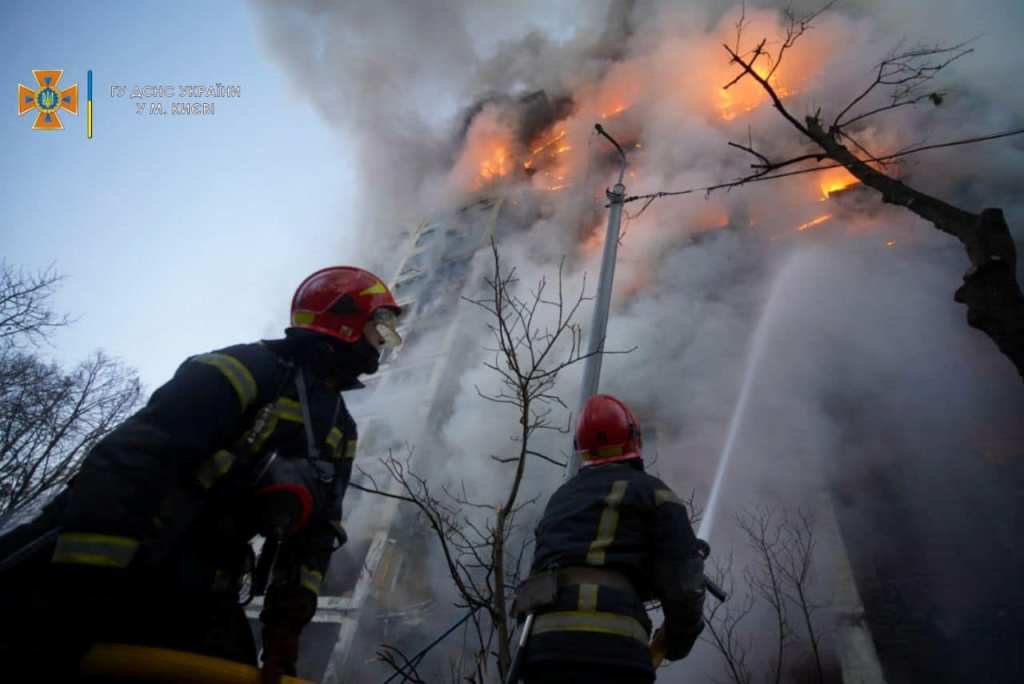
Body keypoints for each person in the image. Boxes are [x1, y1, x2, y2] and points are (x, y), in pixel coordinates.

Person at [0, 266, 401, 682]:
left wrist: (285, 629)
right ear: (346, 316)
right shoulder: (245, 368)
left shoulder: (340, 427)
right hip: (94, 562)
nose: (384, 340)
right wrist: (83, 586)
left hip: (204, 583)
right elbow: (128, 467)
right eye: (380, 325)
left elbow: (314, 536)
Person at [516, 394, 706, 683]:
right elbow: (684, 587)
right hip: (612, 649)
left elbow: (588, 563)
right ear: (633, 438)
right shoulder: (654, 494)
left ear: (580, 448)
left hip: (541, 645)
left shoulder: (561, 499)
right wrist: (676, 640)